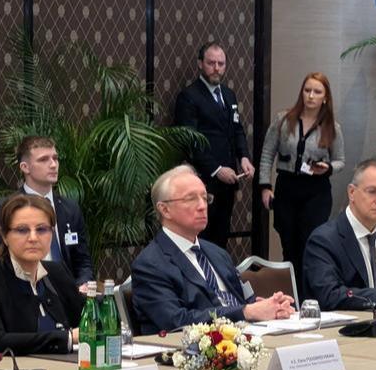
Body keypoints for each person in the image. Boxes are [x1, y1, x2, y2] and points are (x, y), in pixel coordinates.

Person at [130, 165, 293, 334]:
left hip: (248, 339)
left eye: (205, 198)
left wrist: (271, 307)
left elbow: (244, 300)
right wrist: (247, 312)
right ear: (164, 209)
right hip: (192, 352)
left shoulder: (217, 253)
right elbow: (176, 321)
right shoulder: (150, 265)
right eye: (191, 199)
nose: (202, 206)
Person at [0, 194, 86, 356]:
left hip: (68, 367)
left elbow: (87, 319)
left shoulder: (57, 272)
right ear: (4, 236)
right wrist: (68, 338)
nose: (33, 238)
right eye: (22, 230)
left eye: (42, 229)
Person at [257, 72, 345, 289]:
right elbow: (267, 154)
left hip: (316, 190)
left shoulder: (332, 126)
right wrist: (265, 186)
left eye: (317, 92)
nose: (311, 96)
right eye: (307, 90)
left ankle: (310, 295)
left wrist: (328, 168)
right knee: (289, 243)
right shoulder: (283, 119)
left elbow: (341, 160)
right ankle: (290, 294)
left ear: (325, 97)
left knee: (310, 242)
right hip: (287, 186)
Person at [302, 159, 376, 311]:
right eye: (373, 191)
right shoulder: (324, 240)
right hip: (342, 330)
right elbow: (329, 295)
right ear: (352, 192)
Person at [173, 41, 254, 248]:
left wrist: (243, 157)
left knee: (221, 238)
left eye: (221, 63)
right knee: (203, 239)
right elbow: (190, 142)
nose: (216, 68)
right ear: (200, 64)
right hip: (203, 181)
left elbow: (237, 130)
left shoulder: (229, 95)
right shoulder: (189, 97)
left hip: (229, 181)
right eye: (211, 63)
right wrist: (216, 169)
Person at [0, 135, 93, 286]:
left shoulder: (70, 208)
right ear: (25, 167)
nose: (53, 165)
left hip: (70, 295)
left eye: (55, 158)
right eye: (43, 160)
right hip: (25, 293)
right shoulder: (6, 207)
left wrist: (83, 285)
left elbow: (83, 262)